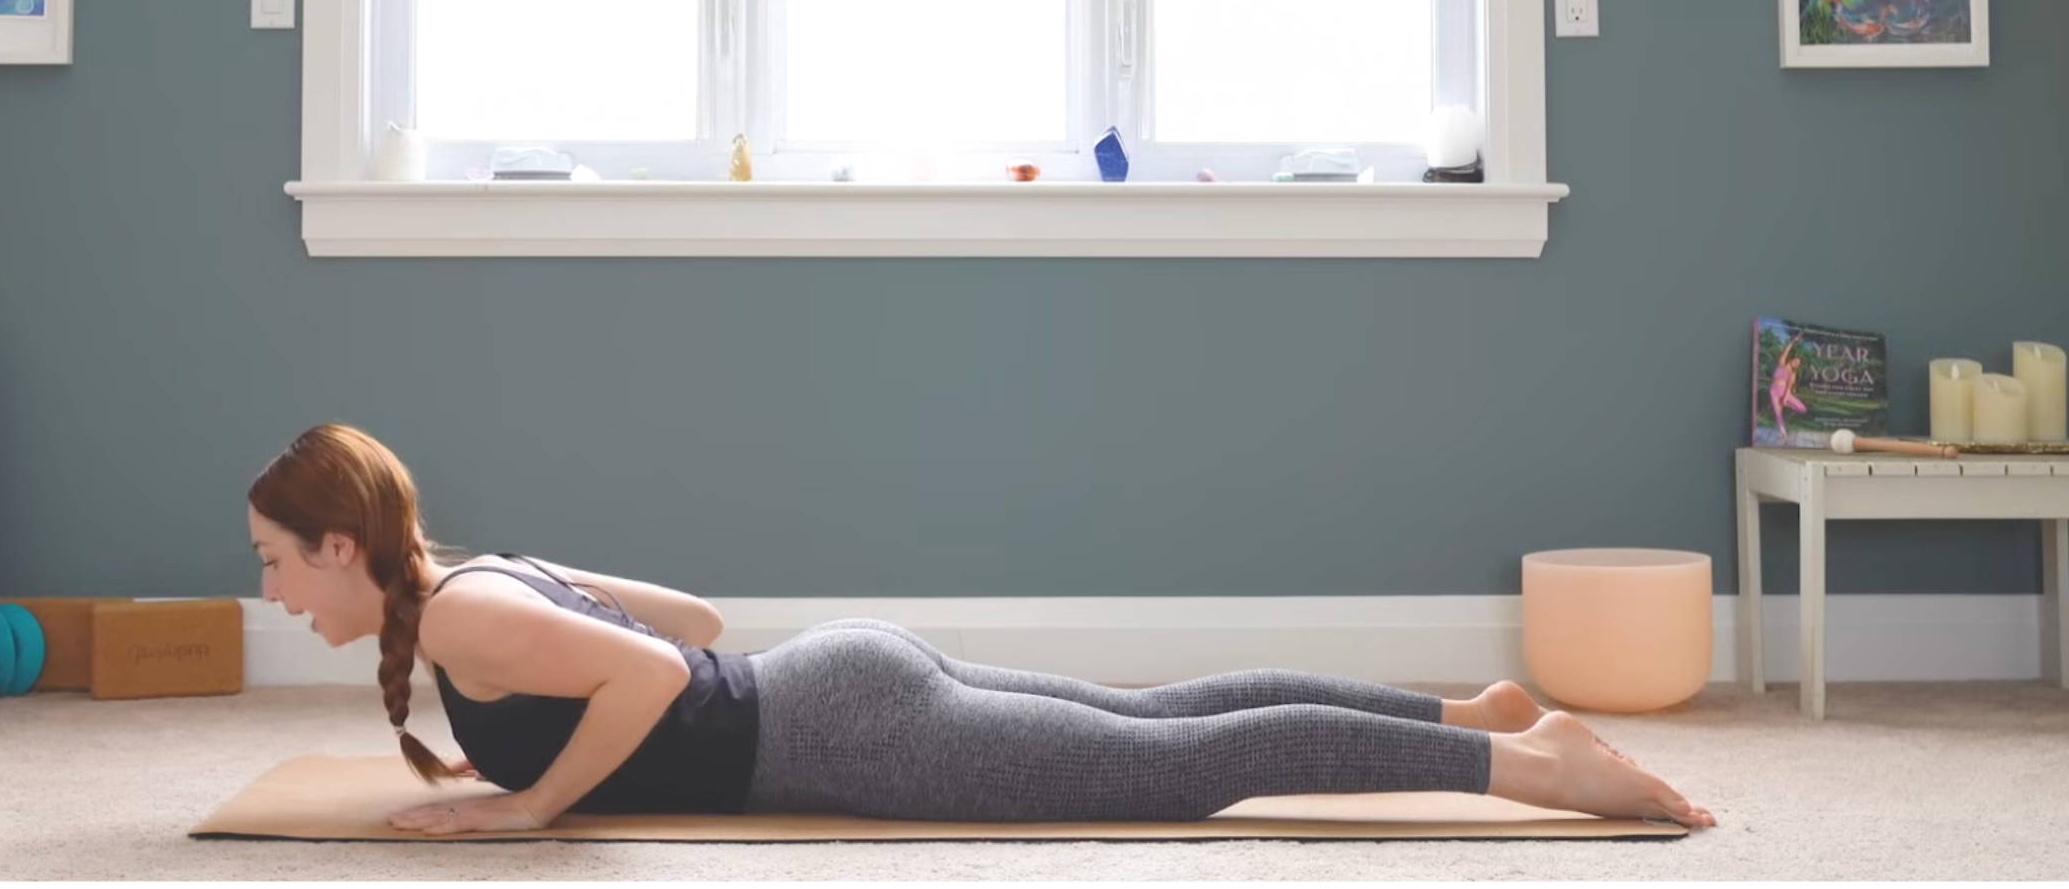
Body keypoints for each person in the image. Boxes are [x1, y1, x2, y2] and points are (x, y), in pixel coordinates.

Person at [246, 423, 1714, 836]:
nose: (273, 593)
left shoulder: (467, 616)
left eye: (275, 564)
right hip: (836, 670)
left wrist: (530, 814)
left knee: (1177, 768)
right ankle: (1476, 711)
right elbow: (692, 622)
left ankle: (1538, 769)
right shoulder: (484, 579)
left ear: (339, 542)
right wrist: (578, 590)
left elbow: (645, 673)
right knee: (1165, 714)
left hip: (841, 727)